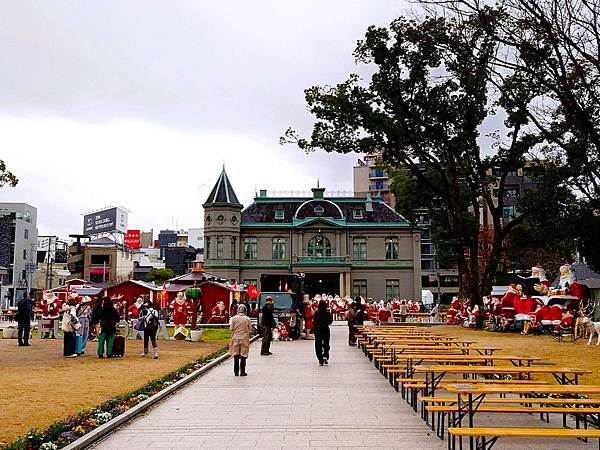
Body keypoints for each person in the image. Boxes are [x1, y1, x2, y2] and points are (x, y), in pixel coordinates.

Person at [229, 304, 251, 376]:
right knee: (243, 355)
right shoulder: (247, 319)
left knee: (236, 354)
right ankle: (242, 371)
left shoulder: (234, 318)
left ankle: (236, 371)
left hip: (235, 338)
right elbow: (250, 329)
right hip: (244, 338)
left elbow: (231, 328)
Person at [313, 299, 333, 365]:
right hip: (325, 330)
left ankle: (320, 359)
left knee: (318, 344)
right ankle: (325, 356)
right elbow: (330, 321)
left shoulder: (316, 313)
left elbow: (314, 322)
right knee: (326, 344)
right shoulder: (327, 313)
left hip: (318, 330)